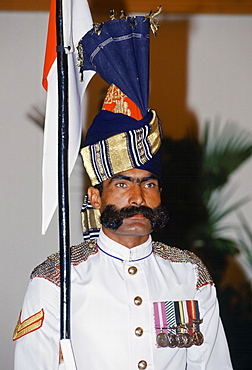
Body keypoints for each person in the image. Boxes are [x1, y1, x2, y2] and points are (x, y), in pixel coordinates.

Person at [13, 13, 233, 370]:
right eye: (122, 183)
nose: (138, 197)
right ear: (96, 197)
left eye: (149, 183)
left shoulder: (190, 275)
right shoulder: (55, 281)